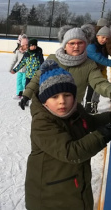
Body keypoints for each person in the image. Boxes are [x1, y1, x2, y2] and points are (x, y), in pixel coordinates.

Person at [25, 59, 111, 210]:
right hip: (50, 197)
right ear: (45, 101)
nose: (62, 102)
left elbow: (89, 122)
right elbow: (72, 152)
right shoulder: (42, 123)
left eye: (67, 95)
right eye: (54, 97)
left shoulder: (75, 110)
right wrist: (106, 132)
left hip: (74, 188)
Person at [18, 24, 111, 110]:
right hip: (49, 109)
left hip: (73, 109)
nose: (76, 46)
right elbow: (37, 78)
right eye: (72, 43)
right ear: (65, 45)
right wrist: (27, 95)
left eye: (80, 43)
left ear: (85, 45)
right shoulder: (52, 60)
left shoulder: (89, 65)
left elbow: (99, 83)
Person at [85, 26, 111, 114]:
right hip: (88, 71)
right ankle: (88, 107)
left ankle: (92, 106)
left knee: (94, 89)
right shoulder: (91, 46)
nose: (104, 40)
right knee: (91, 88)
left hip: (97, 70)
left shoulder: (101, 46)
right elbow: (100, 59)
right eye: (102, 37)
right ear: (97, 36)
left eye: (106, 38)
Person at [11, 38, 44, 105]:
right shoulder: (26, 55)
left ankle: (38, 102)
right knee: (27, 88)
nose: (34, 47)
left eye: (35, 45)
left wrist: (43, 71)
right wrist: (15, 70)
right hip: (28, 75)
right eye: (32, 45)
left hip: (36, 76)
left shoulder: (38, 54)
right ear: (29, 46)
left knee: (36, 89)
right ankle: (26, 101)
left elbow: (42, 63)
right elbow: (21, 63)